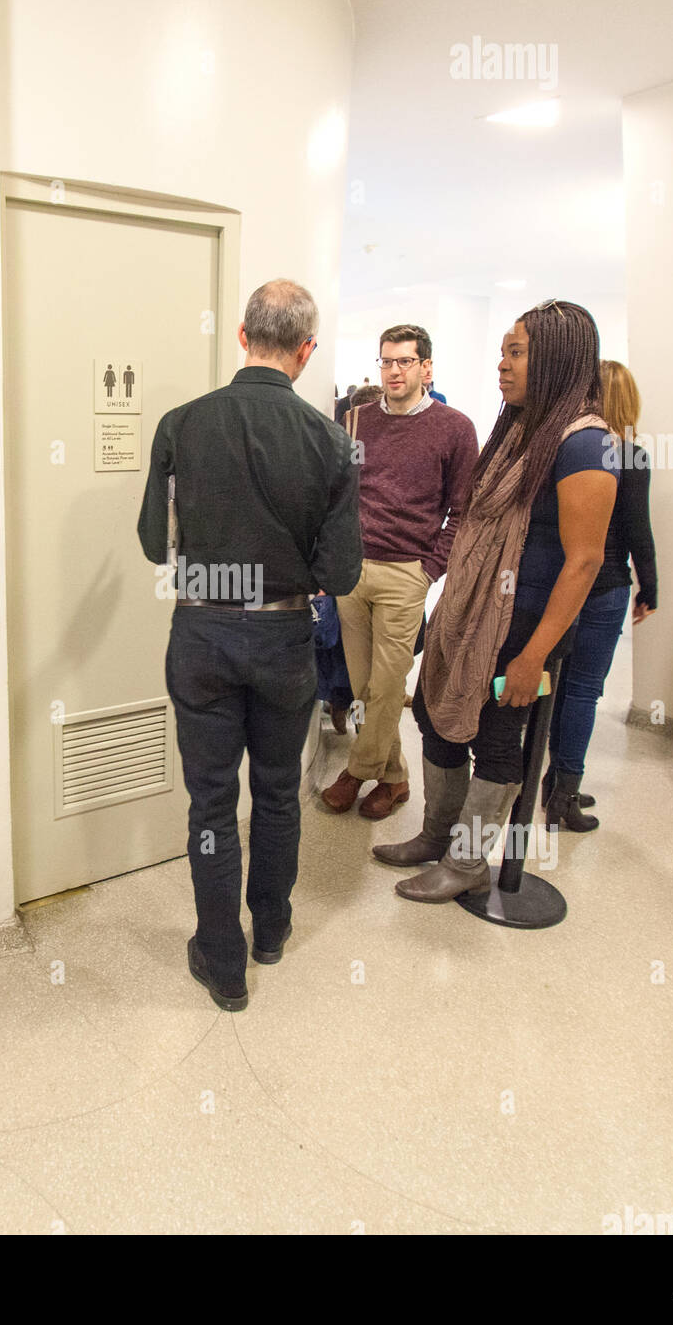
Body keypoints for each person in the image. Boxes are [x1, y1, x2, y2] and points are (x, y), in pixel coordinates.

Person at [137, 279, 362, 1010]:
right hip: (283, 639)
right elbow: (342, 571)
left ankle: (223, 961)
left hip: (201, 632)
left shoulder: (179, 424)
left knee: (210, 804)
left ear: (241, 335)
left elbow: (150, 544)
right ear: (306, 351)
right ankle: (271, 928)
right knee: (276, 793)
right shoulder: (332, 441)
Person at [381, 301, 619, 899]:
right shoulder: (520, 429)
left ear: (557, 361)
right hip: (470, 610)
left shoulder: (585, 444)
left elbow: (585, 559)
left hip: (524, 626)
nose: (502, 365)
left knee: (494, 737)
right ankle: (437, 837)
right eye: (504, 351)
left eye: (516, 353)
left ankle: (466, 864)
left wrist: (534, 656)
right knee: (436, 718)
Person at [323, 327, 478, 821]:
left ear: (426, 368)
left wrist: (431, 569)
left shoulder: (455, 428)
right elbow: (338, 494)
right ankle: (396, 778)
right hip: (353, 571)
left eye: (405, 362)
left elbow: (465, 509)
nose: (393, 370)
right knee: (366, 683)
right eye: (387, 361)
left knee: (388, 685)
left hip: (406, 574)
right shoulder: (354, 421)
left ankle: (356, 770)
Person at [542, 360, 659, 830]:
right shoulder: (629, 455)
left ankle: (547, 782)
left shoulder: (565, 447)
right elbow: (638, 531)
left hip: (560, 584)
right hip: (605, 587)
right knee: (585, 691)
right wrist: (650, 587)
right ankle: (563, 794)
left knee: (557, 686)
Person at [322, 384, 382, 731]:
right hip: (350, 567)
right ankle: (347, 710)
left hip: (379, 568)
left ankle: (354, 714)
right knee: (348, 655)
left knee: (369, 659)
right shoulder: (342, 450)